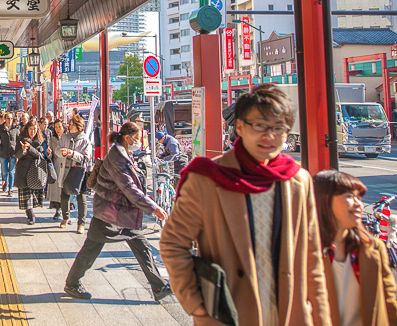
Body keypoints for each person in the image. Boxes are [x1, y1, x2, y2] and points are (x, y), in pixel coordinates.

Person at [160, 83, 331, 325]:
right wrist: (197, 306)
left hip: (288, 313)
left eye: (279, 128)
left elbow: (312, 257)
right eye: (259, 126)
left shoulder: (297, 180)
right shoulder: (207, 178)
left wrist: (321, 316)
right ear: (239, 126)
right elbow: (173, 244)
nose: (269, 136)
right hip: (227, 313)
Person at [64, 121, 171, 301]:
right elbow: (129, 188)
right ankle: (72, 283)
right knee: (91, 249)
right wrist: (153, 207)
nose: (139, 142)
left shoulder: (122, 153)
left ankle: (159, 286)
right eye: (137, 138)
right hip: (110, 212)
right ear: (127, 138)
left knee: (141, 246)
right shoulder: (117, 158)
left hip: (120, 212)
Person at [313, 170, 397, 326]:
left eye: (359, 197)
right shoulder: (306, 251)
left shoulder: (372, 248)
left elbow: (389, 300)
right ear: (324, 200)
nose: (358, 204)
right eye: (349, 197)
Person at [58, 114, 93, 234]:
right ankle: (65, 217)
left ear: (79, 126)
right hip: (66, 170)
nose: (69, 126)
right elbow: (58, 149)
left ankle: (81, 223)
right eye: (70, 124)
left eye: (72, 125)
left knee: (81, 197)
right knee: (64, 195)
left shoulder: (85, 140)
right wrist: (62, 152)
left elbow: (86, 158)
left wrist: (72, 154)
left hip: (79, 172)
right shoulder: (64, 137)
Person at [15, 118, 49, 224]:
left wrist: (30, 148)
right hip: (23, 171)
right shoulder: (20, 139)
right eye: (30, 129)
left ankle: (30, 213)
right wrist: (23, 150)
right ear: (27, 129)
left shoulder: (40, 140)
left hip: (35, 171)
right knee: (26, 194)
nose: (32, 131)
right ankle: (31, 215)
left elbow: (40, 155)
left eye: (35, 129)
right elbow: (17, 155)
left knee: (32, 193)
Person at [46, 119, 66, 220]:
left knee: (65, 190)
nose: (58, 129)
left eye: (59, 126)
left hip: (66, 166)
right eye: (56, 127)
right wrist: (48, 153)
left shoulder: (67, 138)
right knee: (57, 190)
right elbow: (50, 156)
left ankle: (66, 213)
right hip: (56, 166)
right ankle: (58, 210)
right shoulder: (52, 138)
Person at [0, 114, 20, 196]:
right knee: (4, 171)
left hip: (13, 154)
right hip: (3, 153)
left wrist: (18, 153)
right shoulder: (1, 129)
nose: (10, 120)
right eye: (8, 118)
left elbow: (19, 141)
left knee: (11, 172)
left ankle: (10, 189)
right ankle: (5, 182)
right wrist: (0, 148)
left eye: (11, 118)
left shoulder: (16, 129)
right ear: (5, 119)